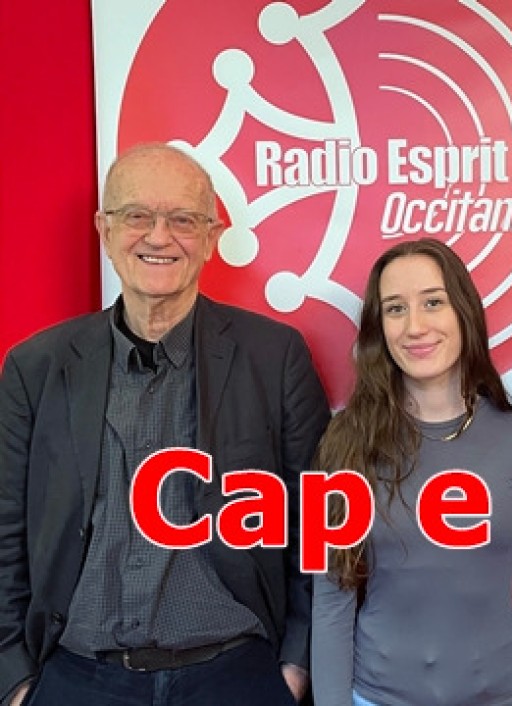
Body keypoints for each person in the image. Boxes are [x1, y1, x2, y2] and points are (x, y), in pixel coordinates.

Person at [0, 143, 331, 706]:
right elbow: (5, 528)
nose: (159, 237)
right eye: (137, 215)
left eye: (183, 219)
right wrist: (15, 679)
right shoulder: (35, 368)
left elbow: (316, 519)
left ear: (211, 237)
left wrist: (296, 664)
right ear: (105, 230)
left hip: (236, 676)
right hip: (75, 680)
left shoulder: (274, 357)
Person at [310, 237, 512, 705]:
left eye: (433, 302)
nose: (415, 326)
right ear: (379, 328)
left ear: (463, 312)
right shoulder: (343, 443)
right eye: (395, 309)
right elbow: (331, 601)